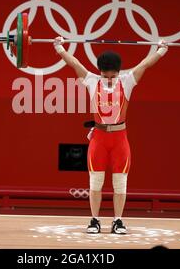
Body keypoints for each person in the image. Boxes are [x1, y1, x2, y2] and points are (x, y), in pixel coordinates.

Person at [53, 37, 168, 234]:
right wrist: (58, 47)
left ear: (117, 71)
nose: (108, 78)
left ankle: (118, 221)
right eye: (105, 74)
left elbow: (145, 64)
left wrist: (161, 50)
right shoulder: (92, 80)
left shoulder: (127, 81)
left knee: (120, 184)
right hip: (99, 139)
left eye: (111, 74)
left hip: (119, 140)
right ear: (100, 70)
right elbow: (74, 63)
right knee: (95, 183)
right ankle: (94, 220)